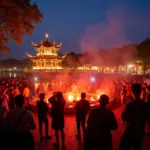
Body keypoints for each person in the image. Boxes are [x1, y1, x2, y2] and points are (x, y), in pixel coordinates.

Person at [119, 84, 150, 150]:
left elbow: (124, 117)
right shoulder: (146, 105)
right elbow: (149, 119)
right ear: (141, 92)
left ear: (132, 92)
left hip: (129, 133)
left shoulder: (129, 104)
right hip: (139, 133)